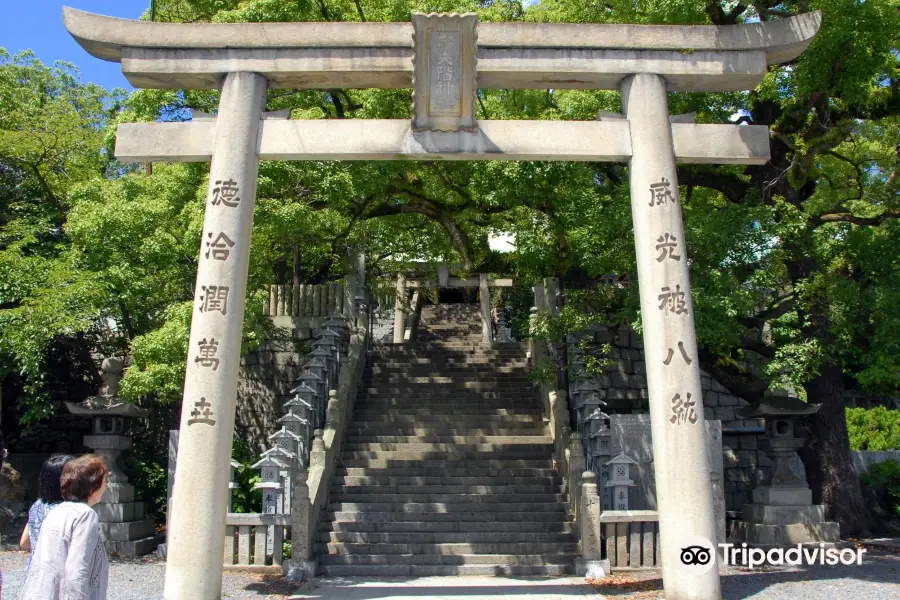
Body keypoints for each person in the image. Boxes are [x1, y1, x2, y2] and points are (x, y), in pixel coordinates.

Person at [20, 454, 110, 600]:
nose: (106, 486)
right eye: (105, 481)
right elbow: (77, 570)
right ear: (93, 486)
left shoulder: (57, 510)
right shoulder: (85, 515)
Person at [20, 454, 75, 572]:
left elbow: (24, 542)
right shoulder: (71, 510)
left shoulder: (38, 505)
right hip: (60, 575)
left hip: (34, 572)